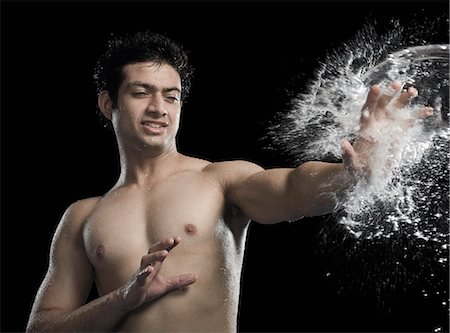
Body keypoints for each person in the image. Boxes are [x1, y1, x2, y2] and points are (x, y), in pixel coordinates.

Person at [26, 30, 431, 332]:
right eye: (141, 92)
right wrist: (121, 300)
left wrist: (352, 174)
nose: (158, 108)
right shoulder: (83, 217)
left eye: (172, 96)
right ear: (107, 103)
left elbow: (293, 189)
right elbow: (42, 328)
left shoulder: (218, 180)